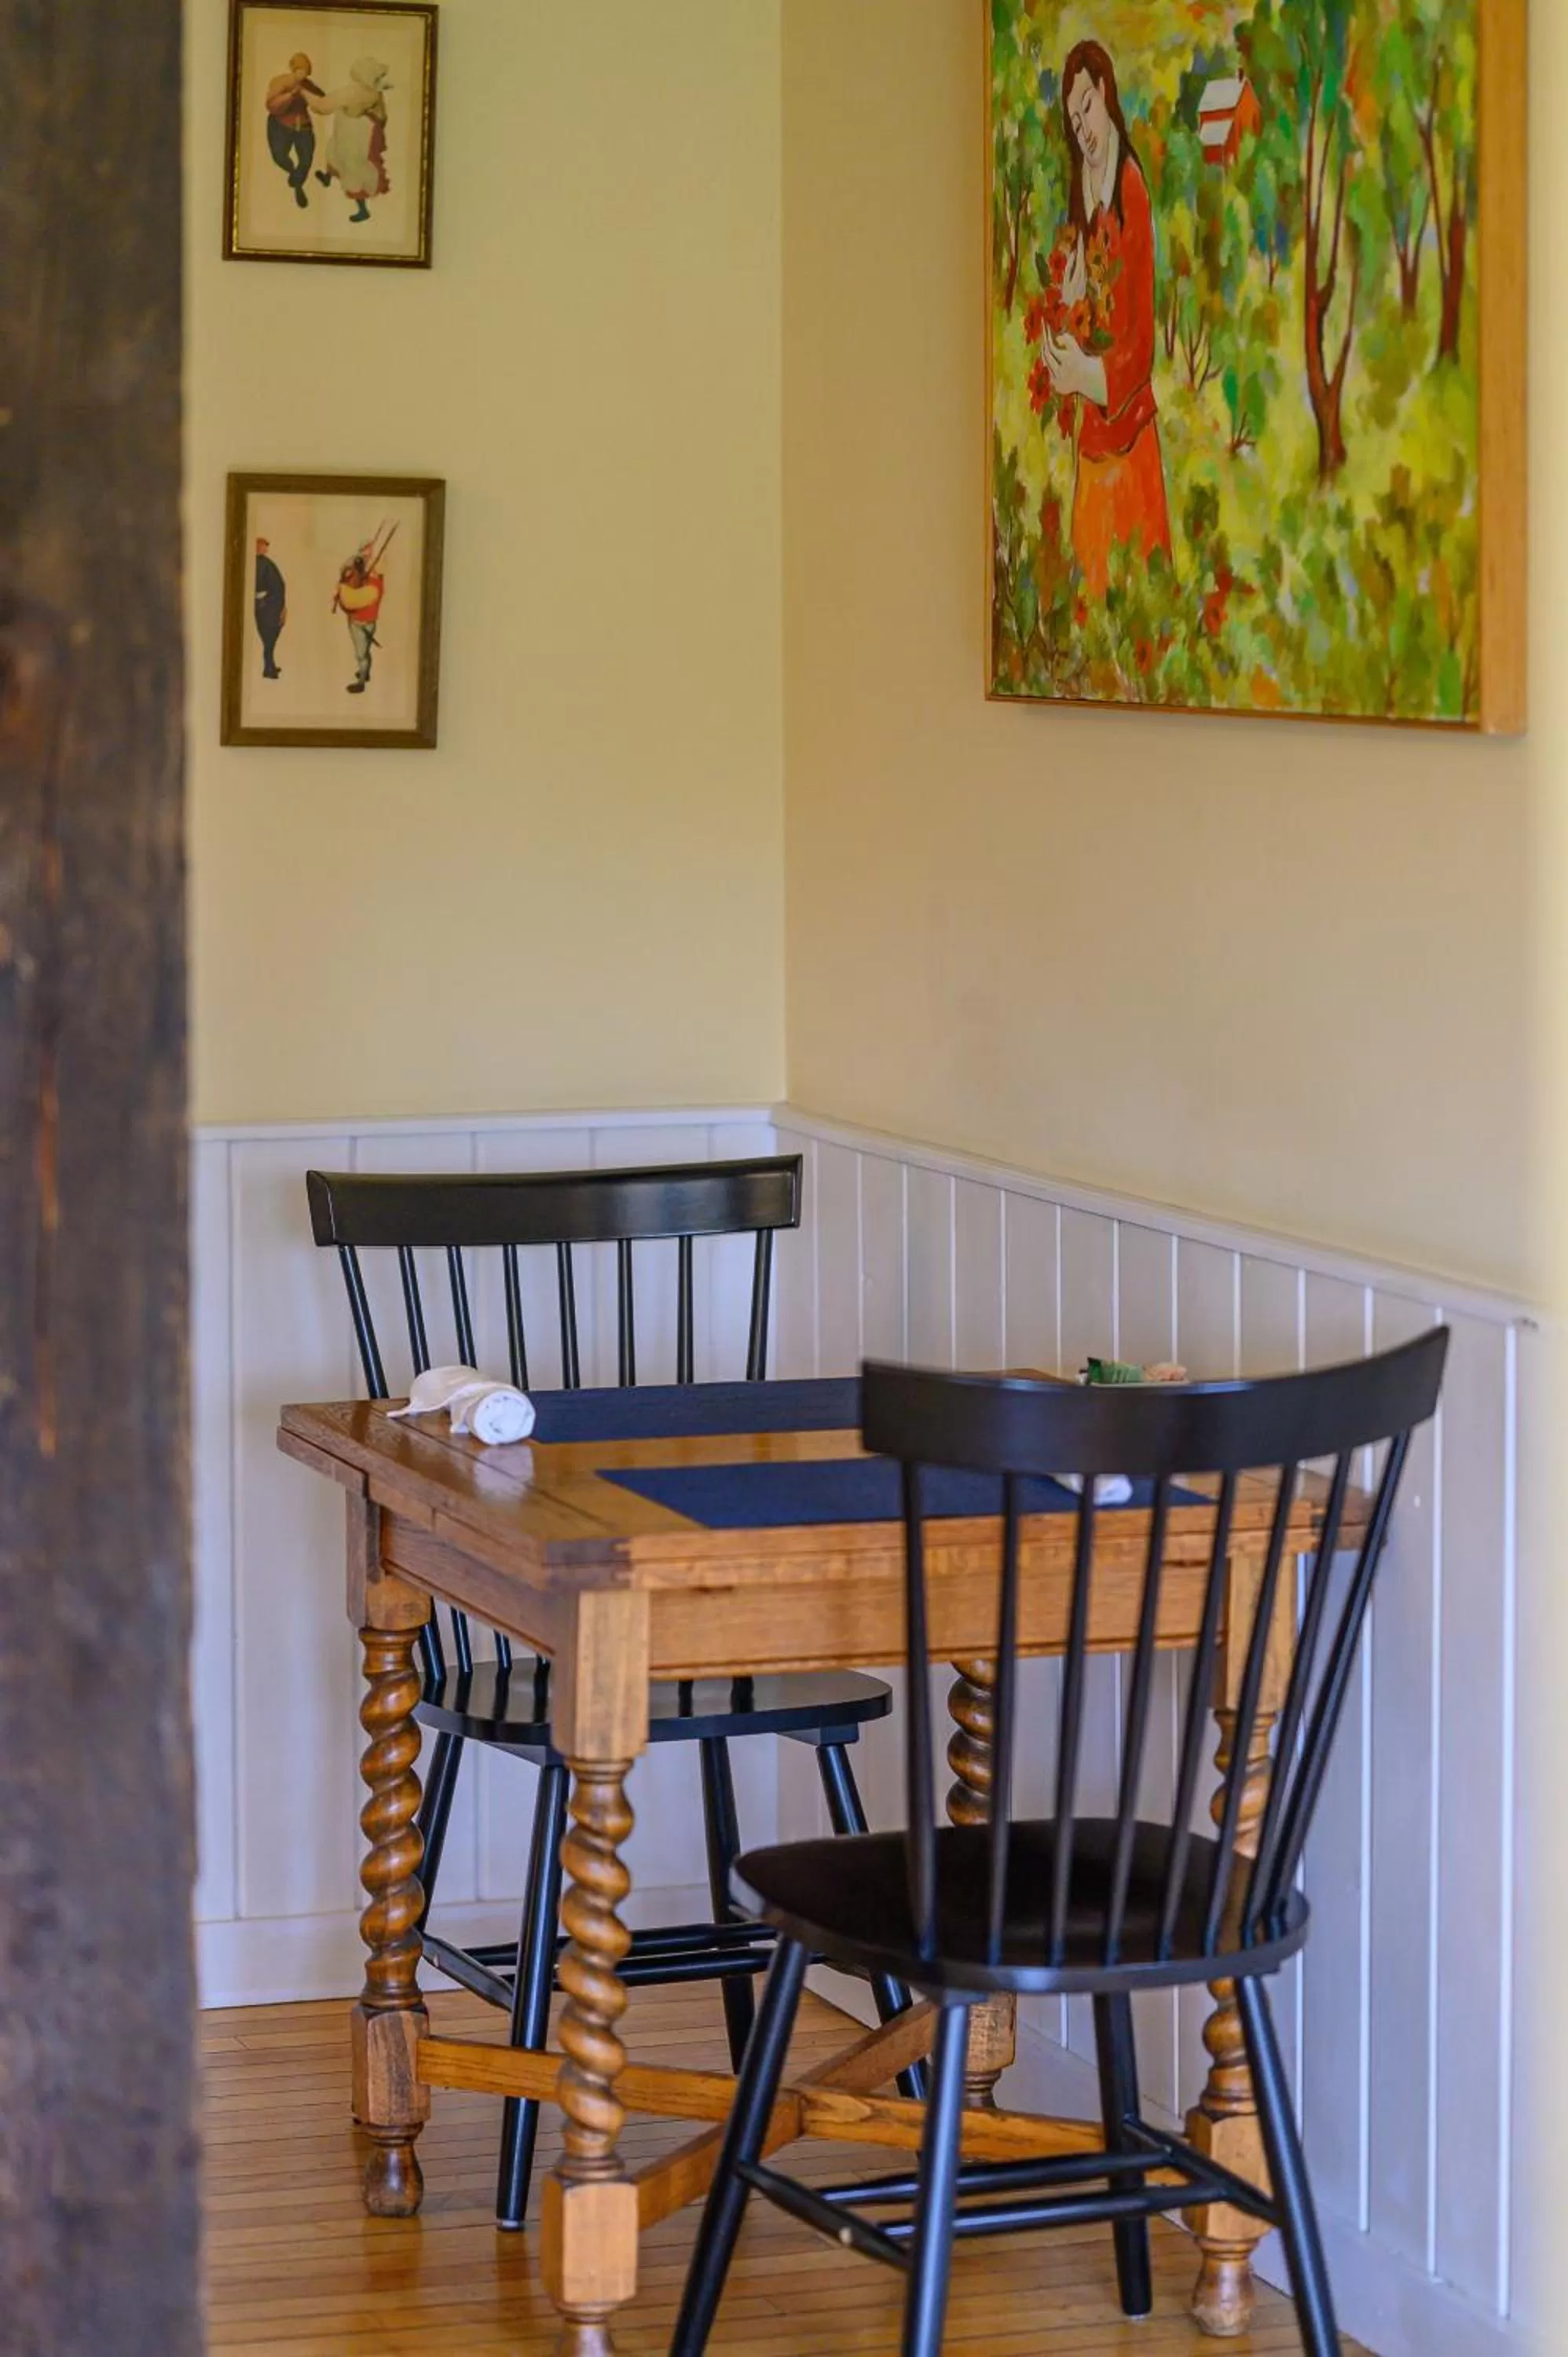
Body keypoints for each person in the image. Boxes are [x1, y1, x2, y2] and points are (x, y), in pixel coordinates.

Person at [1039, 41, 1172, 601]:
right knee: (1091, 612)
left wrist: (1083, 377)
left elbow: (1139, 348)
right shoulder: (1084, 201)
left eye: (1088, 106)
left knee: (1142, 609)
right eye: (1074, 119)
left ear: (1108, 95)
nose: (1084, 129)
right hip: (1093, 447)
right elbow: (1086, 312)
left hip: (1130, 441)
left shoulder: (1130, 191)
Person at [308, 58, 392, 225]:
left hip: (357, 137)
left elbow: (322, 107)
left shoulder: (353, 92)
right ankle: (327, 177)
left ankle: (363, 209)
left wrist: (306, 95)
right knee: (337, 154)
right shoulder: (374, 93)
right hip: (350, 133)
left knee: (354, 167)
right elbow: (383, 118)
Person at [263, 53, 322, 208]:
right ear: (294, 69)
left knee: (306, 159)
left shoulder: (308, 85)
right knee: (280, 156)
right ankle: (292, 172)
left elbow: (322, 99)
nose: (303, 74)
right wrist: (290, 95)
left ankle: (297, 185)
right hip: (281, 124)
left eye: (306, 70)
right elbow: (271, 105)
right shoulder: (280, 82)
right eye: (300, 70)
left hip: (303, 125)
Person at [332, 544, 385, 693]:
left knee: (361, 654)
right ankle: (365, 672)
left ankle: (361, 682)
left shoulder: (373, 585)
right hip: (365, 621)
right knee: (365, 652)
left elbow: (353, 600)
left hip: (361, 622)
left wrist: (343, 589)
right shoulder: (363, 580)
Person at [253, 538, 287, 680]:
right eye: (262, 546)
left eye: (265, 547)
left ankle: (270, 666)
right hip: (264, 606)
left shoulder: (267, 563)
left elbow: (278, 585)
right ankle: (269, 667)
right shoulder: (257, 564)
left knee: (271, 636)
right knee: (268, 637)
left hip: (272, 605)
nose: (265, 549)